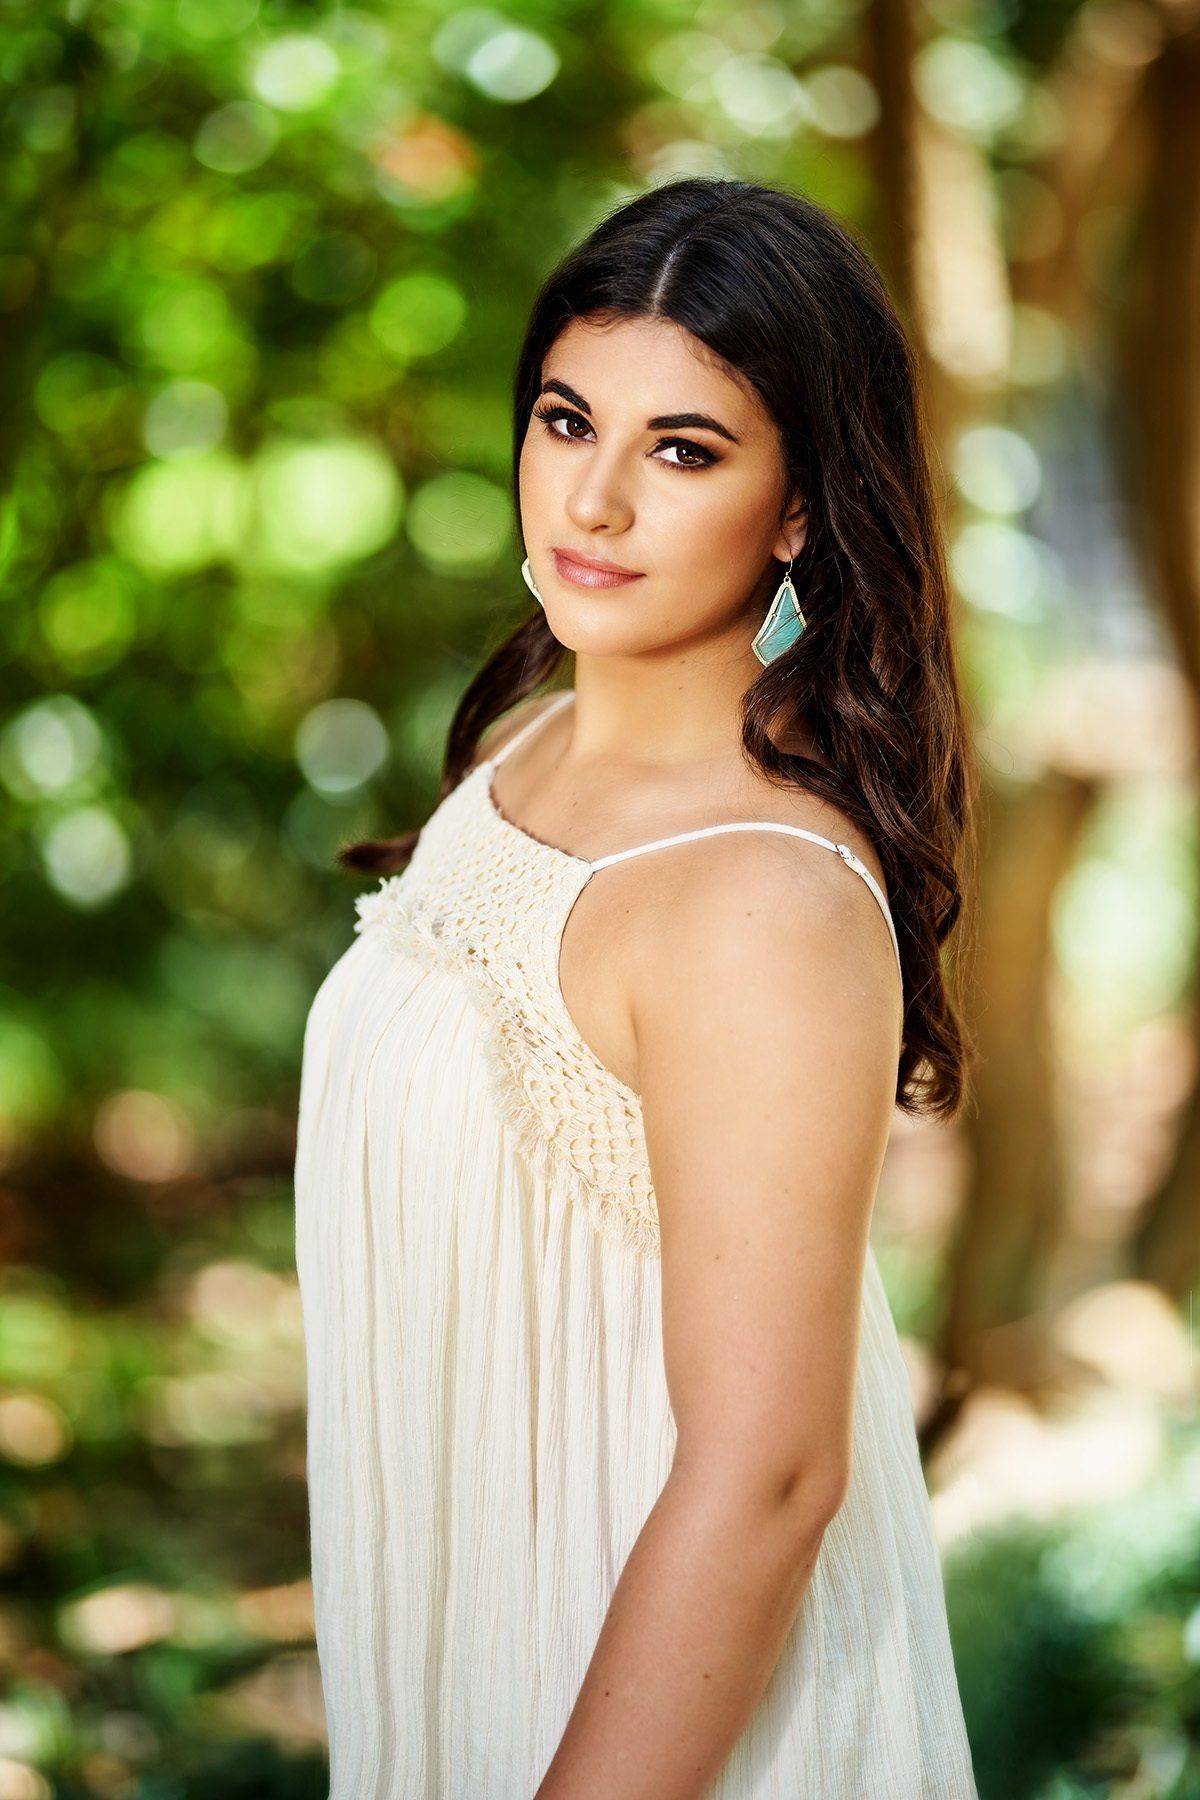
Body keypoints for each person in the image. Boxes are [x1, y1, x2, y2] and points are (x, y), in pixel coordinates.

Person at [293, 175, 980, 1799]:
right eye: (565, 419)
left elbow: (773, 1477)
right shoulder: (531, 757)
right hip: (482, 1675)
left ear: (802, 508)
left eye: (684, 450)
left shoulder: (758, 902)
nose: (591, 502)